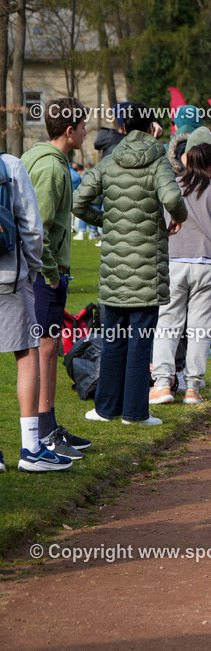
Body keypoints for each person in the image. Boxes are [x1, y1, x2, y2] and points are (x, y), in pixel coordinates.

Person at [72, 102, 189, 426]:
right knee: (140, 343)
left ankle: (106, 408)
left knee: (112, 340)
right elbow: (172, 200)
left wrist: (106, 221)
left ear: (123, 127)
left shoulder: (109, 161)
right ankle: (135, 413)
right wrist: (178, 219)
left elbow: (79, 202)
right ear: (150, 125)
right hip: (148, 268)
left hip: (114, 270)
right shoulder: (157, 159)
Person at [20, 97, 91, 458]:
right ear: (69, 131)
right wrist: (51, 274)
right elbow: (41, 229)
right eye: (82, 126)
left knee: (46, 350)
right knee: (46, 349)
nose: (85, 132)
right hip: (43, 273)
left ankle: (49, 424)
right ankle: (45, 432)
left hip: (40, 271)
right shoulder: (50, 167)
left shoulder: (39, 157)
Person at [0, 149, 73, 472]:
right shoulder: (10, 165)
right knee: (27, 352)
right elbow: (32, 228)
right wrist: (31, 270)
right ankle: (31, 447)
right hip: (9, 277)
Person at [149, 143, 211, 405]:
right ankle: (193, 387)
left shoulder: (172, 186)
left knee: (167, 323)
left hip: (174, 260)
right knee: (201, 329)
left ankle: (163, 384)